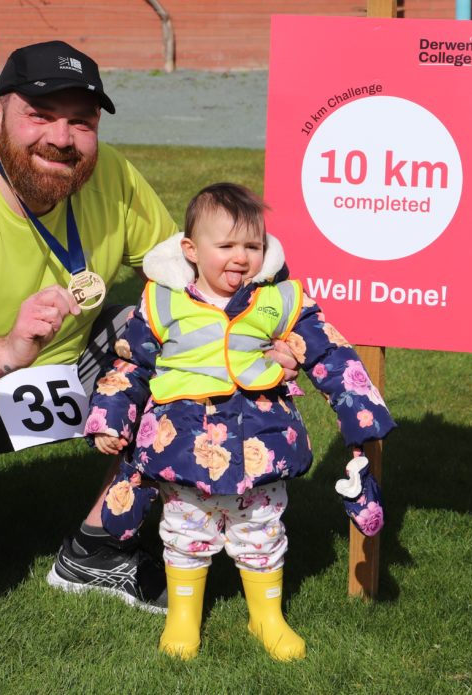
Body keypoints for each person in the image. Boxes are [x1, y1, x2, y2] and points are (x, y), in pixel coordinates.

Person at [0, 40, 302, 641]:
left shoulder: (109, 176)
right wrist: (6, 351)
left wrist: (266, 328)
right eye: (39, 114)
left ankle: (97, 546)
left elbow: (189, 274)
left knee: (201, 357)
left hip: (72, 369)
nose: (62, 137)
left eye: (80, 121)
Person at [83, 183, 396, 661]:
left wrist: (361, 413)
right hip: (182, 443)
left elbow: (331, 352)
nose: (241, 258)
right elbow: (131, 364)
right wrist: (110, 419)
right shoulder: (162, 302)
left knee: (261, 528)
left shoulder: (279, 299)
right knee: (186, 531)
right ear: (191, 249)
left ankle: (266, 617)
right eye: (225, 246)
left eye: (253, 246)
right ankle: (183, 619)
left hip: (263, 441)